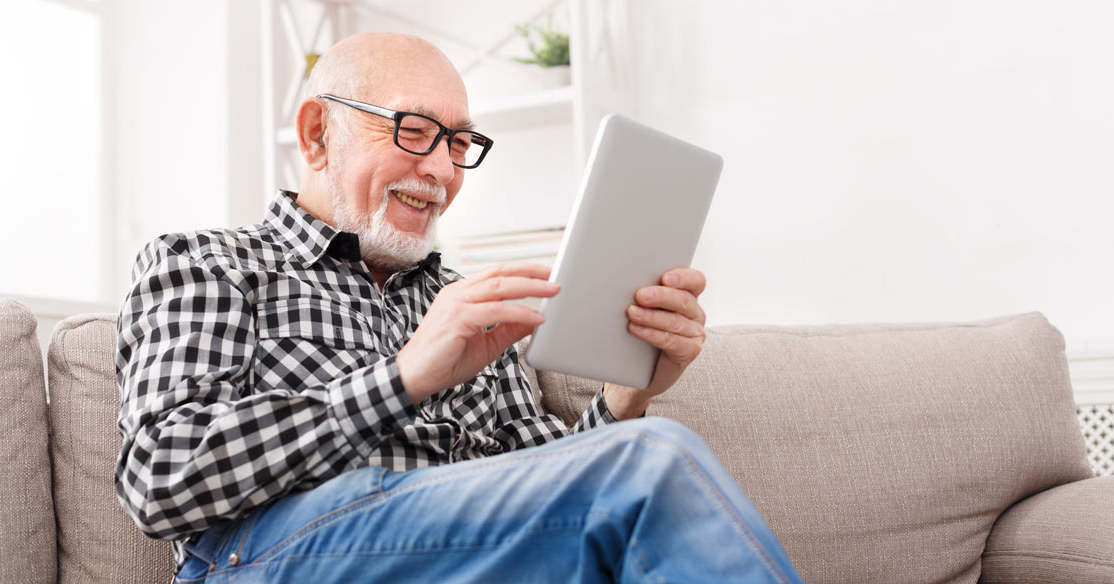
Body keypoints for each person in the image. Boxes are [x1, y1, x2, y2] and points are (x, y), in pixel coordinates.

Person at [115, 32, 802, 583]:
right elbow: (159, 477)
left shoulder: (468, 303)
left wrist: (621, 403)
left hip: (462, 556)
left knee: (638, 453)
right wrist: (404, 377)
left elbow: (542, 486)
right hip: (267, 556)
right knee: (653, 460)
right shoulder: (207, 263)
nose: (443, 171)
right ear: (318, 132)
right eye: (414, 130)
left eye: (460, 143)